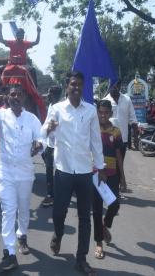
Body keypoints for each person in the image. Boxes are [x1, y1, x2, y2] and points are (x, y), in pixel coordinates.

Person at [41, 71, 106, 276]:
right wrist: (48, 128)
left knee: (85, 217)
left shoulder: (91, 110)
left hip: (85, 171)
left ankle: (81, 259)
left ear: (83, 86)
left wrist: (101, 166)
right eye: (72, 84)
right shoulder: (57, 108)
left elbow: (95, 140)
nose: (76, 87)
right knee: (58, 213)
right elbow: (44, 131)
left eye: (79, 84)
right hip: (64, 170)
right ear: (67, 86)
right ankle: (58, 234)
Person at [0, 84, 44, 271]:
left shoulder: (32, 119)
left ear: (24, 97)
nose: (15, 97)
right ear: (8, 98)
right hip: (6, 173)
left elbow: (42, 140)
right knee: (8, 211)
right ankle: (9, 252)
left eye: (18, 94)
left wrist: (39, 146)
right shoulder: (1, 115)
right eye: (12, 94)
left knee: (23, 208)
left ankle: (22, 235)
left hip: (25, 173)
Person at [92, 100, 124, 260]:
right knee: (97, 210)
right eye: (101, 112)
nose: (103, 115)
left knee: (115, 204)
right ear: (97, 112)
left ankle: (105, 225)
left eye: (106, 112)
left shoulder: (116, 131)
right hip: (96, 174)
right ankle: (99, 243)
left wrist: (123, 178)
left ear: (111, 113)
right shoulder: (92, 128)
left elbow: (119, 155)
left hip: (112, 175)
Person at [103, 80, 137, 191]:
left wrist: (135, 138)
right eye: (113, 85)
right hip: (107, 140)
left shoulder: (127, 99)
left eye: (117, 85)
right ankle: (108, 189)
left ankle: (116, 188)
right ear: (110, 85)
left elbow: (133, 119)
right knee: (108, 165)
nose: (115, 87)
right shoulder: (104, 100)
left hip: (123, 139)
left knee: (119, 164)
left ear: (120, 86)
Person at [41, 86, 62, 207]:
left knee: (59, 170)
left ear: (54, 95)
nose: (47, 95)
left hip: (58, 145)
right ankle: (50, 195)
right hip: (49, 143)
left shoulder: (60, 108)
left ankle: (57, 194)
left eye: (49, 94)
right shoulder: (50, 106)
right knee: (49, 169)